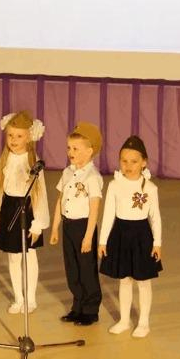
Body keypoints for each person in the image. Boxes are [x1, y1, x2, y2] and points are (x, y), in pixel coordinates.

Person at [98, 135, 163, 338]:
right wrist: (103, 241)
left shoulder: (150, 188)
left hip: (142, 236)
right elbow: (108, 214)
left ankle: (143, 322)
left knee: (143, 281)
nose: (128, 166)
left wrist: (157, 243)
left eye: (134, 161)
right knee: (124, 280)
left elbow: (155, 217)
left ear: (144, 162)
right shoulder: (114, 185)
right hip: (120, 234)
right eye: (124, 161)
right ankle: (124, 320)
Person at [0, 111, 48, 314]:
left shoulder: (33, 161)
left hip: (27, 209)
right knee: (13, 257)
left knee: (29, 255)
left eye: (19, 136)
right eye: (10, 135)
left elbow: (40, 195)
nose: (13, 140)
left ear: (29, 137)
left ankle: (30, 299)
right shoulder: (2, 161)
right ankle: (18, 298)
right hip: (8, 209)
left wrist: (37, 224)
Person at [50, 122, 103, 325]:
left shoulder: (92, 176)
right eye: (69, 148)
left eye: (75, 148)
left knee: (86, 269)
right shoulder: (67, 173)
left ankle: (90, 310)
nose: (70, 152)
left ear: (89, 151)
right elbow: (60, 200)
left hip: (83, 227)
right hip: (68, 226)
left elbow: (94, 208)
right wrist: (55, 227)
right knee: (72, 268)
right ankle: (77, 306)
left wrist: (88, 236)